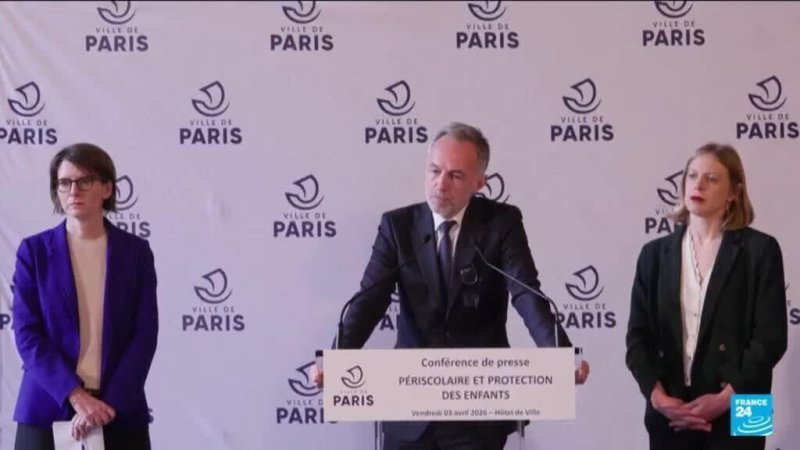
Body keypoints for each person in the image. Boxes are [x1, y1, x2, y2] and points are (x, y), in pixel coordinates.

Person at [313, 122, 590, 449]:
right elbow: (369, 301)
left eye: (455, 176)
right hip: (408, 405)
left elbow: (526, 293)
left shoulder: (501, 223)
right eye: (434, 170)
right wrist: (335, 361)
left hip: (477, 412)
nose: (440, 184)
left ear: (480, 182)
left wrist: (560, 356)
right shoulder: (398, 226)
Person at [625, 143, 787, 450]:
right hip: (672, 408)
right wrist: (657, 398)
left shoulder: (761, 250)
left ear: (734, 192)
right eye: (692, 175)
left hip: (746, 405)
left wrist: (725, 399)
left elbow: (771, 339)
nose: (698, 185)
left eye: (711, 179)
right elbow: (637, 339)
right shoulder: (653, 255)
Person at [12, 143, 158, 450]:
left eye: (84, 181)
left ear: (107, 188)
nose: (73, 191)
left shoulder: (136, 253)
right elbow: (27, 334)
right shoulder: (34, 252)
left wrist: (106, 406)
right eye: (64, 183)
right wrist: (77, 397)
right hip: (46, 408)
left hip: (117, 410)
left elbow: (144, 335)